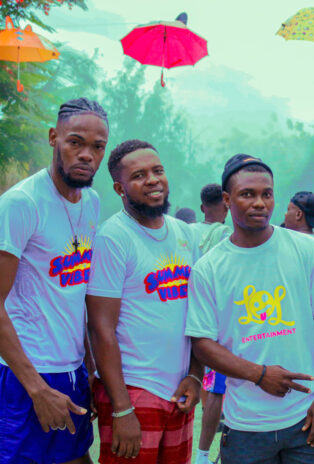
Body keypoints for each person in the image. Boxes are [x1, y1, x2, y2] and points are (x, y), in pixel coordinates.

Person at [186, 154, 314, 464]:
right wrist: (258, 374)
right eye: (247, 194)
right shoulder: (209, 269)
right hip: (246, 428)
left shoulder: (306, 249)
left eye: (267, 194)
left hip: (309, 418)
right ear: (227, 200)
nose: (259, 203)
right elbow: (202, 344)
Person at [0, 98, 109, 464]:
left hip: (73, 369)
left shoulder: (92, 202)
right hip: (28, 374)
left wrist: (89, 364)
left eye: (97, 146)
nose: (86, 155)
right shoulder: (22, 202)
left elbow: (74, 294)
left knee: (77, 458)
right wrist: (36, 388)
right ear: (54, 138)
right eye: (75, 142)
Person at [86, 140, 202, 463]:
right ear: (119, 188)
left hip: (179, 391)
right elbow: (100, 328)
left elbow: (199, 314)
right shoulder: (113, 238)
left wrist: (195, 375)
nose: (152, 180)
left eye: (158, 171)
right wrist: (122, 408)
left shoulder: (185, 234)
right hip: (133, 390)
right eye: (139, 175)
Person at [187, 182, 233, 464]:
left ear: (203, 207)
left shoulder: (187, 231)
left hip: (188, 314)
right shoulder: (226, 234)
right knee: (217, 384)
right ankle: (204, 455)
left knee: (201, 377)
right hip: (215, 319)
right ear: (226, 204)